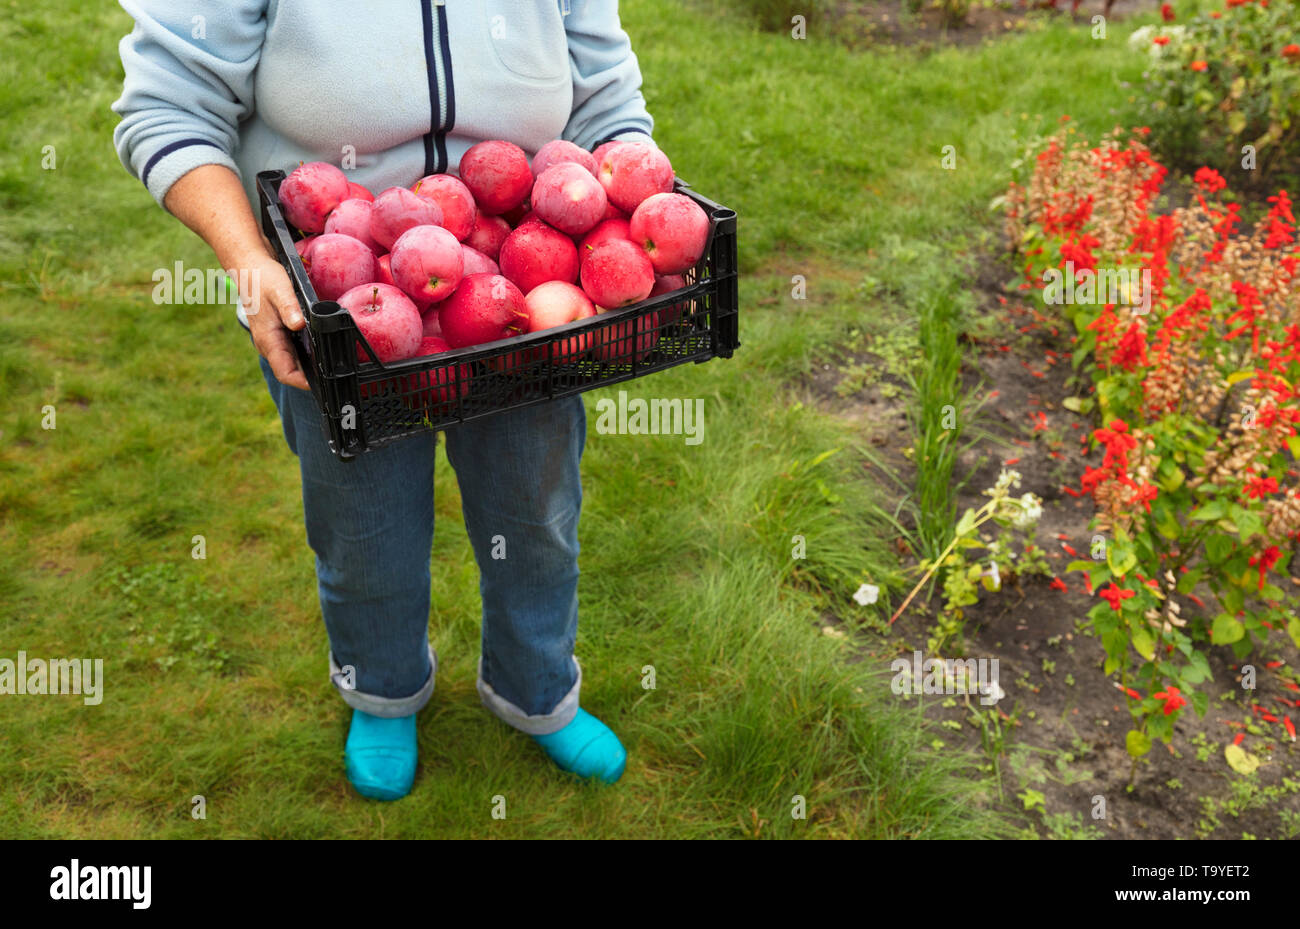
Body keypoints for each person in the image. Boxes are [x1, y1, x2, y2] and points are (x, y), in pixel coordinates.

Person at [112, 1, 658, 801]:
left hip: (526, 273)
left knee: (534, 505)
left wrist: (636, 195)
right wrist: (244, 256)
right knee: (361, 517)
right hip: (336, 291)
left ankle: (537, 689)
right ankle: (383, 689)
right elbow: (169, 102)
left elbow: (607, 96)